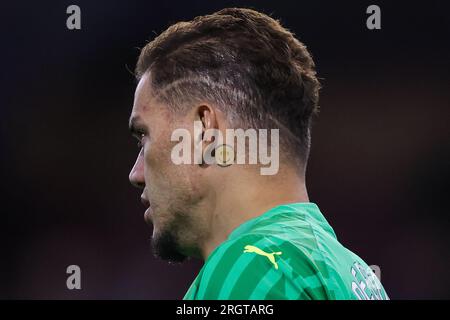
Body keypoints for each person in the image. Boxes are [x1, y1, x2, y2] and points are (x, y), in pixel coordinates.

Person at [128, 7, 388, 300]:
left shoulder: (255, 265)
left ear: (204, 132)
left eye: (143, 136)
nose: (135, 174)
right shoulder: (355, 273)